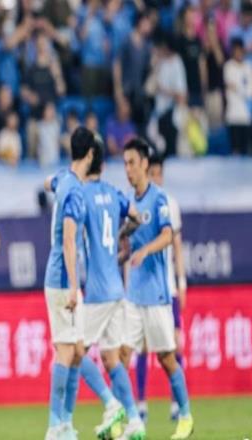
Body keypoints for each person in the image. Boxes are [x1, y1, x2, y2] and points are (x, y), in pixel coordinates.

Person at [122, 138, 193, 440]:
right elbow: (127, 242)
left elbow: (167, 236)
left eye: (132, 163)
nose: (128, 169)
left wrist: (145, 250)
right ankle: (130, 420)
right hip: (132, 296)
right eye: (125, 164)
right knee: (121, 357)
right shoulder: (128, 202)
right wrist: (122, 253)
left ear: (144, 164)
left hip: (157, 296)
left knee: (166, 358)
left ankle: (185, 416)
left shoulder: (159, 199)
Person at [78, 135, 144, 439]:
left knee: (74, 352)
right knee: (110, 359)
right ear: (104, 165)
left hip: (97, 291)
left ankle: (111, 404)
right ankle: (135, 420)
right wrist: (122, 236)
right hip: (117, 288)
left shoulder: (82, 195)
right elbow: (137, 218)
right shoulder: (114, 193)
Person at [43, 127, 94, 440]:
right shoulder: (74, 190)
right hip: (63, 279)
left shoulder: (62, 179)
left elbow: (46, 182)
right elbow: (69, 241)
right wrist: (75, 285)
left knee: (77, 350)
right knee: (66, 351)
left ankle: (65, 422)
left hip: (62, 278)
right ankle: (54, 426)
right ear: (90, 154)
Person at [136, 154, 187, 423]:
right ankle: (141, 404)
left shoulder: (170, 203)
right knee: (143, 347)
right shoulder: (138, 203)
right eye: (152, 173)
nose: (156, 178)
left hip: (168, 288)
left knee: (175, 344)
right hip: (143, 288)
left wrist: (181, 282)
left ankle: (177, 404)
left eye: (159, 174)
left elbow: (176, 245)